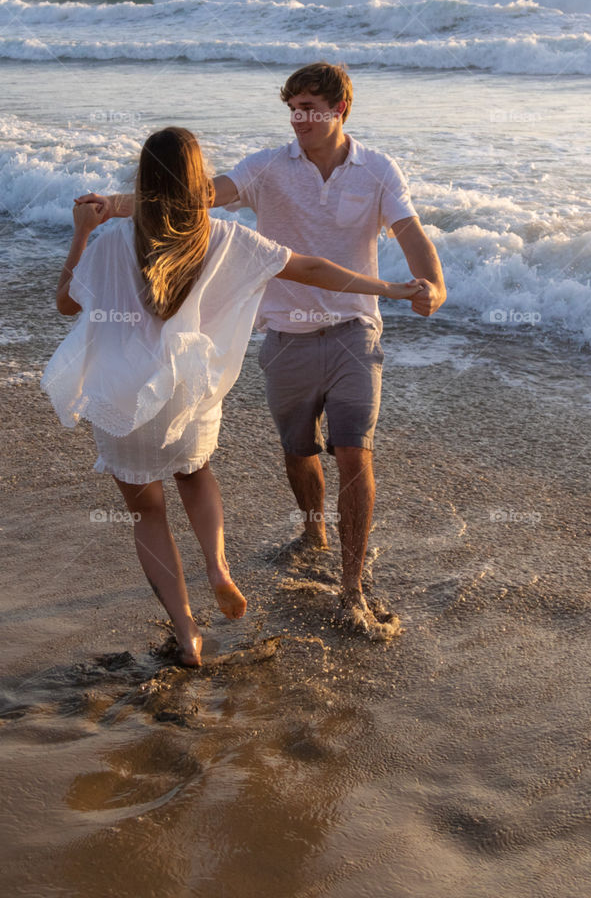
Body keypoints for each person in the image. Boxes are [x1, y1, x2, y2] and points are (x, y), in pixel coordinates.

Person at [76, 64, 446, 639]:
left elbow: (410, 230)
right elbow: (199, 196)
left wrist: (432, 284)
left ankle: (351, 586)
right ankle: (313, 530)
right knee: (299, 452)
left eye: (311, 108)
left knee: (355, 452)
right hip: (284, 334)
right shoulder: (268, 166)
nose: (299, 119)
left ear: (341, 109)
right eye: (293, 108)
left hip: (354, 328)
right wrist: (116, 206)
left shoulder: (377, 169)